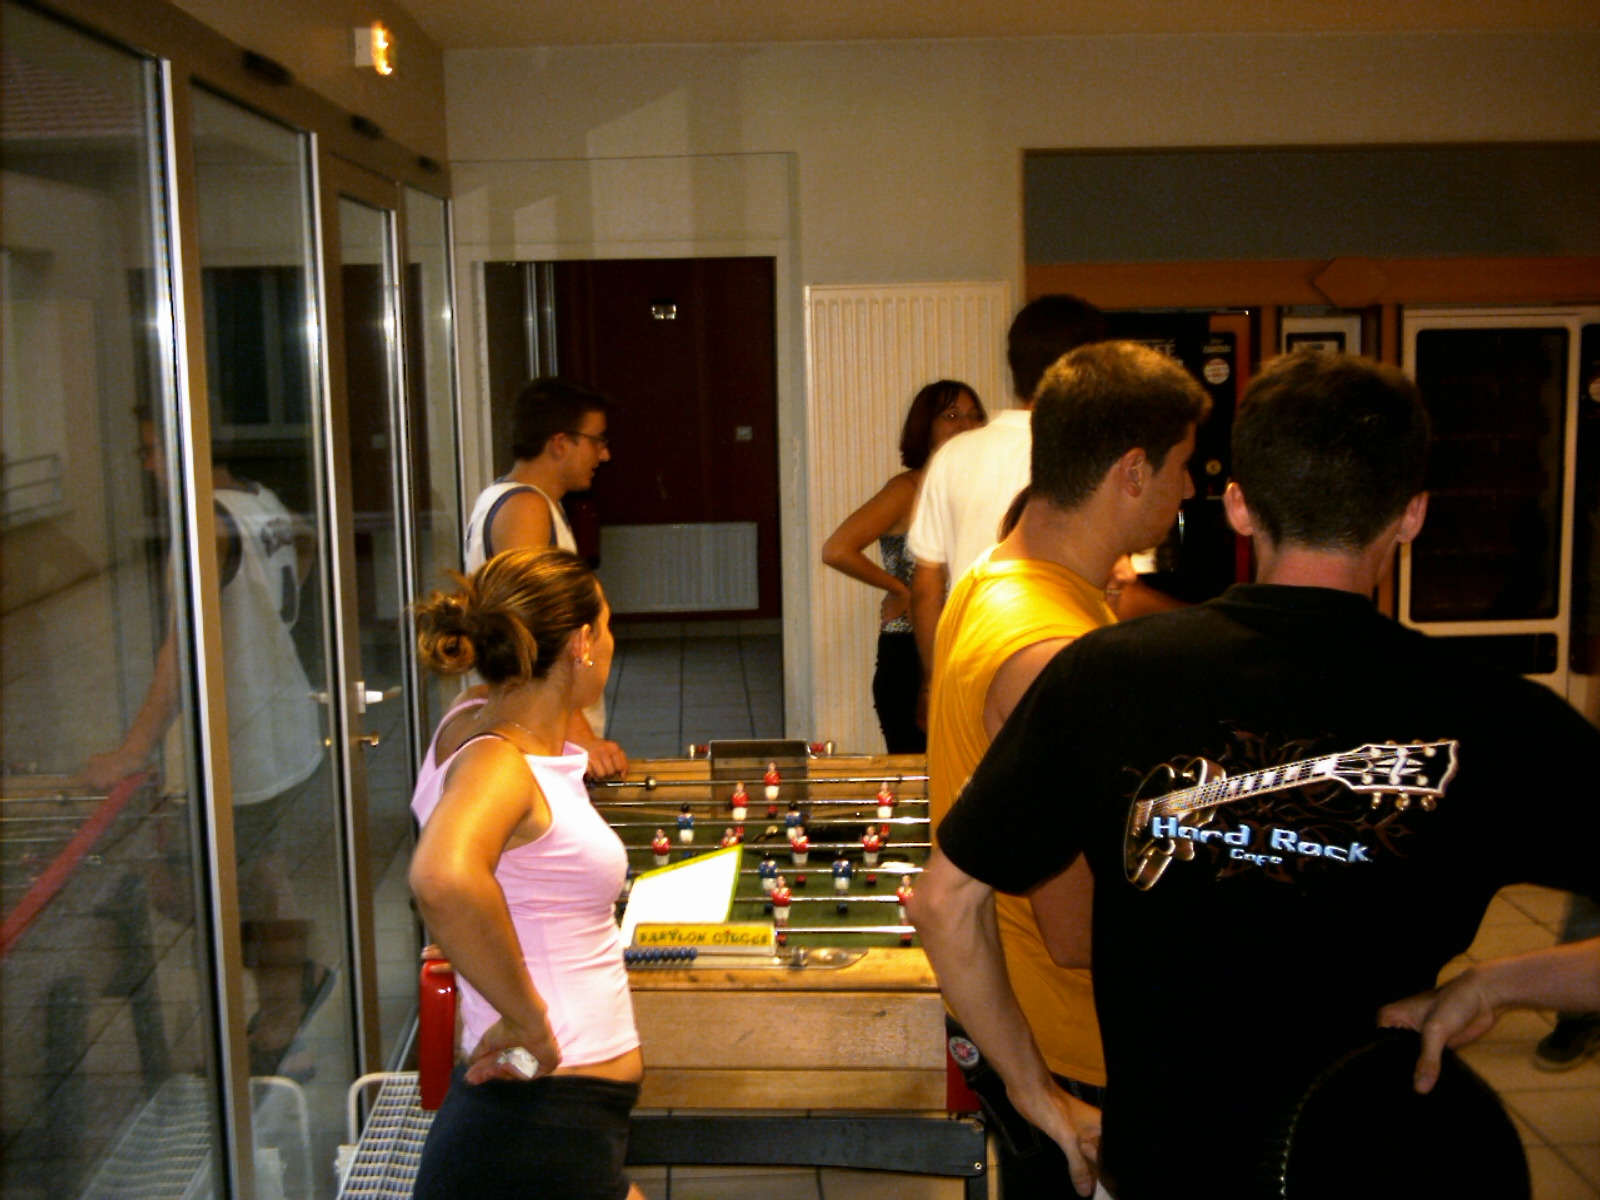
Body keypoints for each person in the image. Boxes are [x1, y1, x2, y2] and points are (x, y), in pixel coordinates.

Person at [913, 351, 1600, 1198]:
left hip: (1168, 1164)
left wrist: (1032, 1093)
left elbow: (944, 903)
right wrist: (1498, 985)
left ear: (1239, 505)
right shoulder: (1496, 718)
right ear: (1411, 514)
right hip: (1374, 1155)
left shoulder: (1105, 675)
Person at [925, 341, 1207, 1196]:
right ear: (1133, 471)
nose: (1189, 490)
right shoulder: (1053, 652)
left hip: (1041, 1029)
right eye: (1182, 467)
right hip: (1076, 1054)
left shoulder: (995, 577)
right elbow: (1078, 930)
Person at [81, 415, 330, 1077]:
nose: (147, 466)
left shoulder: (206, 525)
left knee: (227, 884)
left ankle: (283, 1020)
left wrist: (134, 747)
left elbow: (180, 650)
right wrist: (266, 623)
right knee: (245, 878)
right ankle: (292, 981)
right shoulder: (260, 500)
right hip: (275, 723)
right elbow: (305, 546)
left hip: (241, 737)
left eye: (152, 450)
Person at [409, 547, 643, 1200]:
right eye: (608, 626)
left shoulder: (485, 728)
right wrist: (527, 1021)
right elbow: (442, 877)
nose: (612, 643)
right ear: (582, 644)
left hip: (548, 1111)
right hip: (543, 1114)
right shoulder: (499, 762)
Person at [463, 376, 625, 777]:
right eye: (597, 440)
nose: (604, 455)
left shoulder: (518, 500)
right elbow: (534, 631)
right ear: (560, 442)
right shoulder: (525, 509)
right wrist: (581, 736)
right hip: (536, 732)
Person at [821, 380, 985, 752]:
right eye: (952, 416)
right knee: (915, 769)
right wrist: (900, 590)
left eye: (974, 416)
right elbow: (837, 549)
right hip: (909, 653)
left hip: (970, 645)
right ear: (926, 426)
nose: (966, 425)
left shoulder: (981, 487)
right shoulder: (907, 489)